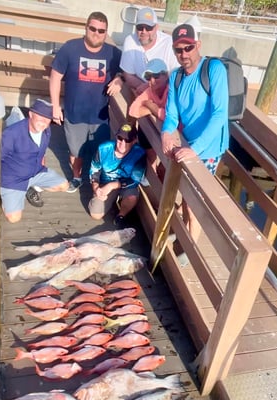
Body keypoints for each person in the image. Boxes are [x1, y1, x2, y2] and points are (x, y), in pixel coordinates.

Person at [161, 24, 229, 261]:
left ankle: (190, 247)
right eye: (178, 50)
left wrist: (195, 150)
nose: (184, 54)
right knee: (184, 194)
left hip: (207, 150)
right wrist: (166, 133)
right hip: (188, 144)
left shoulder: (214, 69)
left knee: (193, 202)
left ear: (197, 45)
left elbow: (220, 114)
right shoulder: (176, 76)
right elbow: (171, 115)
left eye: (188, 48)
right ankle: (183, 235)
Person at [49, 11, 123, 193]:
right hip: (75, 115)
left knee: (101, 151)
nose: (96, 33)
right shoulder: (70, 48)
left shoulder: (114, 53)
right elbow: (55, 77)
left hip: (101, 116)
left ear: (106, 33)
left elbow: (126, 71)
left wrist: (120, 78)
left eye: (101, 31)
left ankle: (98, 182)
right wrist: (55, 106)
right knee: (76, 152)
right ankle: (76, 177)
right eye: (93, 28)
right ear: (86, 27)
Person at [0, 99, 69, 224]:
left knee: (64, 186)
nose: (43, 122)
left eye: (47, 119)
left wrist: (42, 169)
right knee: (14, 219)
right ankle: (5, 197)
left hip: (36, 171)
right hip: (13, 180)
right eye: (40, 117)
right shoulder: (11, 134)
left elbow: (41, 153)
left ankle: (29, 188)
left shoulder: (46, 131)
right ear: (31, 114)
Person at [88, 123, 146, 227]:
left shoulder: (139, 153)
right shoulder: (103, 148)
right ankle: (111, 200)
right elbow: (94, 171)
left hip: (126, 185)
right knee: (95, 214)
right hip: (104, 182)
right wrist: (96, 188)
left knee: (132, 197)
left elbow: (135, 180)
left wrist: (112, 186)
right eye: (120, 138)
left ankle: (121, 215)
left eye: (127, 140)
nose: (123, 143)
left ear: (134, 141)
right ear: (116, 137)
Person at [120, 7, 178, 95]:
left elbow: (176, 77)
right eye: (140, 27)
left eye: (148, 28)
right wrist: (146, 89)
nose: (144, 31)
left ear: (156, 27)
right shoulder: (130, 41)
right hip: (140, 92)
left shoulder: (169, 44)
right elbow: (128, 74)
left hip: (166, 93)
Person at [129, 58, 169, 182]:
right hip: (156, 131)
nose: (152, 81)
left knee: (165, 168)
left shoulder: (172, 90)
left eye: (156, 76)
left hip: (174, 136)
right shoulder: (149, 90)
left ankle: (160, 194)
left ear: (166, 75)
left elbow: (169, 115)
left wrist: (150, 105)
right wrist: (154, 109)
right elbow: (133, 111)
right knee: (152, 158)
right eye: (148, 77)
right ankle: (152, 184)